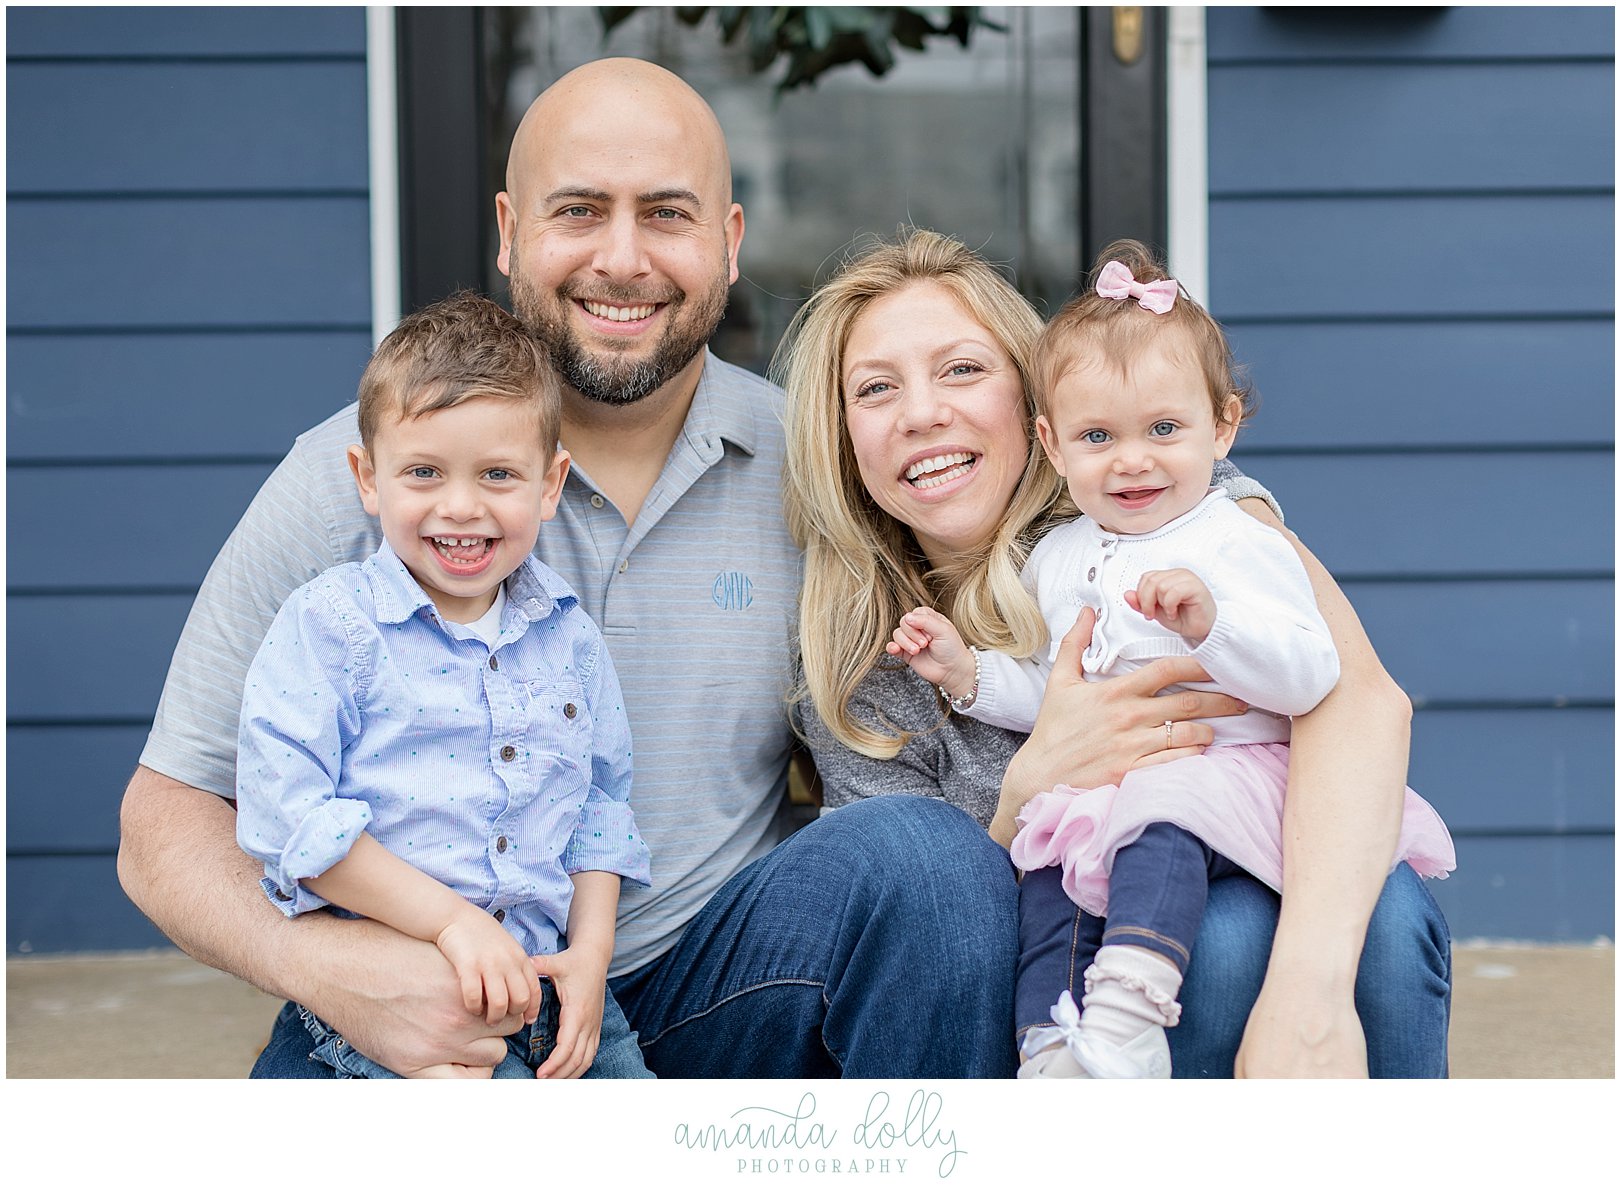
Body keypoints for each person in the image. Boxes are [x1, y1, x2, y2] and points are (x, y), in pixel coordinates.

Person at [119, 58, 1016, 1078]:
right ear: (509, 232)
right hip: (423, 1001)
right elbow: (162, 825)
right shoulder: (361, 475)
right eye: (580, 210)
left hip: (710, 985)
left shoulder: (813, 461)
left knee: (930, 865)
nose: (621, 259)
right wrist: (327, 966)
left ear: (728, 243)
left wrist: (1225, 516)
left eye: (667, 214)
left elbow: (1050, 527)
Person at [779, 228, 1453, 1077]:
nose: (922, 412)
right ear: (839, 434)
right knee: (1219, 939)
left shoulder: (1168, 515)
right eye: (876, 388)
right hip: (1019, 983)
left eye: (960, 368)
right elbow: (913, 942)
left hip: (1230, 841)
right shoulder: (862, 660)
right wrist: (1028, 783)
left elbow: (1353, 700)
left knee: (1377, 919)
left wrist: (1306, 996)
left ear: (1034, 408)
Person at [234, 293, 653, 1079]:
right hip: (386, 1011)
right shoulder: (331, 628)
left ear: (550, 482)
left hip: (553, 1002)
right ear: (368, 476)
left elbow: (600, 809)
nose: (460, 506)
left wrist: (591, 954)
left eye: (497, 473)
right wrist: (453, 925)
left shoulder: (569, 638)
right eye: (423, 472)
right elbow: (292, 822)